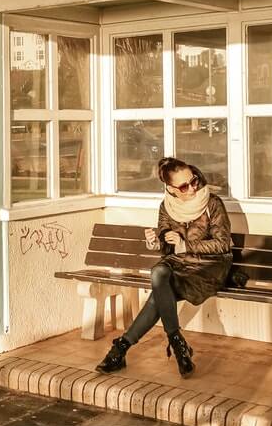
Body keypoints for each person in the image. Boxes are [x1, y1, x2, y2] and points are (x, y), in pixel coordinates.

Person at [96, 157, 232, 378]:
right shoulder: (167, 207)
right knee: (158, 272)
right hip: (180, 264)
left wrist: (184, 244)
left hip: (210, 267)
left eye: (194, 180)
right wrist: (155, 242)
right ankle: (177, 343)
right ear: (171, 189)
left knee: (157, 296)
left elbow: (222, 243)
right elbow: (167, 247)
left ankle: (121, 348)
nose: (193, 188)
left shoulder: (212, 203)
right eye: (184, 186)